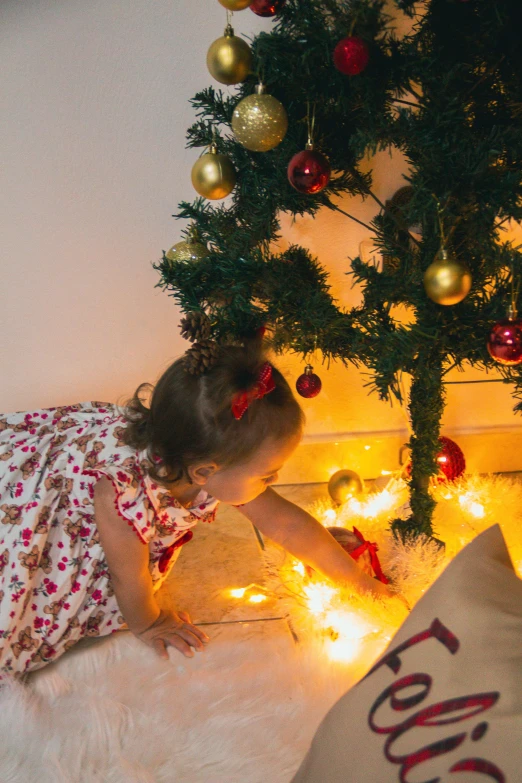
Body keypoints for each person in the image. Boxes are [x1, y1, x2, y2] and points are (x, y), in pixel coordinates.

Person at [0, 341, 393, 682]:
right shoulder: (121, 496)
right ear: (206, 472)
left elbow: (288, 525)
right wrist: (151, 623)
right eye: (268, 474)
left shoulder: (202, 456)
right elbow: (127, 576)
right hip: (47, 498)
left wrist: (360, 583)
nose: (273, 482)